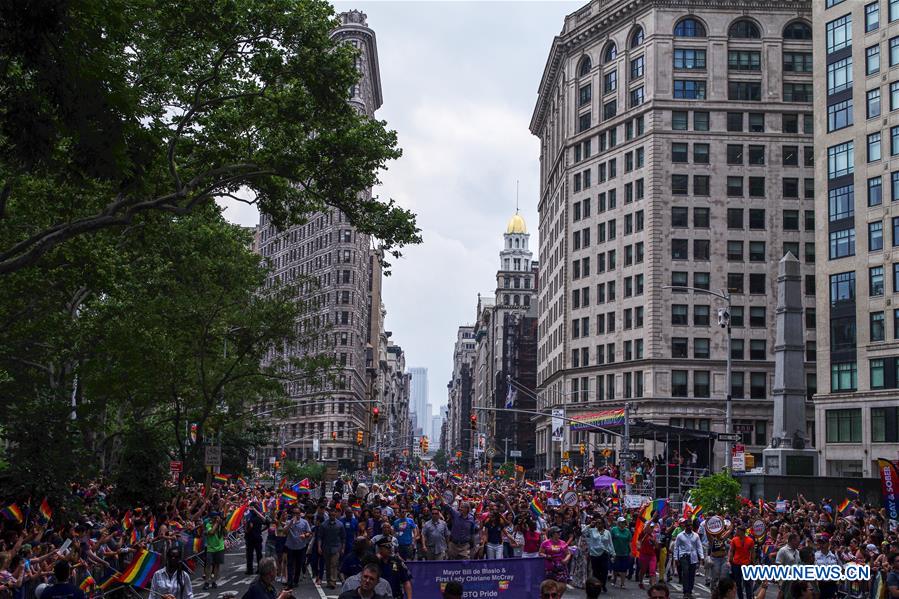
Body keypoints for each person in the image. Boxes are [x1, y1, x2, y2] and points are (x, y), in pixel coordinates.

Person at [673, 520, 703, 599]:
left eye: (691, 525)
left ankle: (690, 591)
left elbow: (699, 546)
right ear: (685, 526)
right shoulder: (680, 535)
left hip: (693, 557)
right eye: (688, 525)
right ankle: (685, 591)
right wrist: (676, 558)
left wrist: (702, 557)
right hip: (684, 556)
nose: (690, 527)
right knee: (685, 573)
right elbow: (676, 547)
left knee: (692, 574)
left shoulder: (696, 535)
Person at [583, 515, 613, 593]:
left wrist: (613, 553)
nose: (598, 524)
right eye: (597, 523)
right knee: (596, 571)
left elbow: (610, 543)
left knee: (604, 571)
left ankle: (603, 584)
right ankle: (597, 585)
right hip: (594, 554)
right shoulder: (592, 530)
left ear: (603, 524)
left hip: (604, 553)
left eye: (600, 523)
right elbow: (583, 532)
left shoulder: (607, 532)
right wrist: (590, 525)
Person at [318, 507, 346, 589]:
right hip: (326, 547)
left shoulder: (340, 525)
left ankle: (333, 581)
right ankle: (328, 581)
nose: (332, 517)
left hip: (336, 547)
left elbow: (343, 537)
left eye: (334, 515)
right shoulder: (324, 525)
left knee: (334, 564)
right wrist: (319, 547)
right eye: (331, 515)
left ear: (336, 515)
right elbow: (320, 537)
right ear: (329, 515)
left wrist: (343, 548)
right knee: (327, 565)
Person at [284, 507, 312, 589]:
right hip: (290, 547)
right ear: (292, 514)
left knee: (298, 565)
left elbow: (309, 532)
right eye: (294, 513)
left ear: (300, 514)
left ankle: (296, 580)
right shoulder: (289, 522)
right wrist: (290, 523)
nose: (296, 515)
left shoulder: (304, 522)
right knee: (290, 565)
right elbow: (284, 531)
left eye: (298, 513)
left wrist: (305, 535)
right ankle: (289, 582)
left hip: (301, 547)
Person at [539, 527, 571, 591]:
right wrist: (546, 555)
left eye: (560, 532)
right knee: (550, 588)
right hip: (549, 568)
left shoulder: (563, 543)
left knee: (561, 588)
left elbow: (568, 553)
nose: (559, 533)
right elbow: (540, 553)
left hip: (561, 568)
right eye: (557, 532)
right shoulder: (545, 543)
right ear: (552, 534)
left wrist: (565, 560)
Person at [728, 522, 754, 599]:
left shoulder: (750, 540)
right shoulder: (734, 540)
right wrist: (730, 559)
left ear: (742, 532)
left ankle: (749, 597)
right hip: (736, 564)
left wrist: (752, 562)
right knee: (738, 584)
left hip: (746, 564)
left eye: (738, 531)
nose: (736, 532)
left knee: (747, 583)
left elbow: (752, 551)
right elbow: (732, 550)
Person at [203, 512, 226, 590]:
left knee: (217, 565)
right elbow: (212, 532)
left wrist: (222, 526)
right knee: (208, 565)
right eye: (215, 518)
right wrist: (217, 523)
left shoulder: (220, 524)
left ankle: (214, 581)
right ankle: (206, 582)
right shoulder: (208, 524)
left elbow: (225, 534)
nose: (216, 519)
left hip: (220, 547)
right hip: (210, 548)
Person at [611, 516, 633, 590]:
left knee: (624, 569)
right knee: (615, 568)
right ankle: (614, 580)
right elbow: (610, 540)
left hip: (625, 552)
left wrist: (631, 551)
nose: (623, 524)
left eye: (624, 522)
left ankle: (622, 583)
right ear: (618, 523)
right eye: (621, 522)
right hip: (616, 552)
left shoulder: (627, 531)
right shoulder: (614, 530)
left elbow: (629, 542)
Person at [245, 502, 266, 575]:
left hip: (250, 537)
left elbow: (250, 527)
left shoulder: (250, 517)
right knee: (259, 554)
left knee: (249, 554)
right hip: (258, 537)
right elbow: (266, 523)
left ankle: (250, 569)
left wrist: (246, 530)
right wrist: (261, 530)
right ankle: (260, 569)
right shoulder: (259, 518)